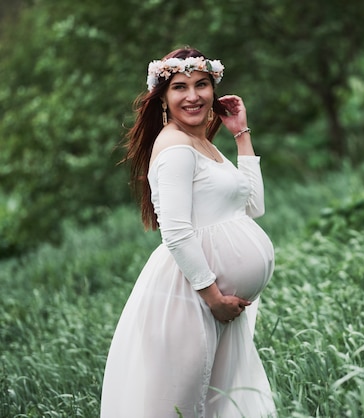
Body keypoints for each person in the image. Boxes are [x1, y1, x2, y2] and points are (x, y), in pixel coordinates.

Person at [100, 46, 276, 418]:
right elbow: (176, 232)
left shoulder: (203, 144)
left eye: (201, 84)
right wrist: (214, 298)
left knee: (212, 405)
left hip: (213, 304)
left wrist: (241, 133)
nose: (193, 95)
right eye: (180, 87)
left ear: (214, 90)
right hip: (190, 299)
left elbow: (252, 206)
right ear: (162, 97)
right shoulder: (176, 147)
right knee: (182, 405)